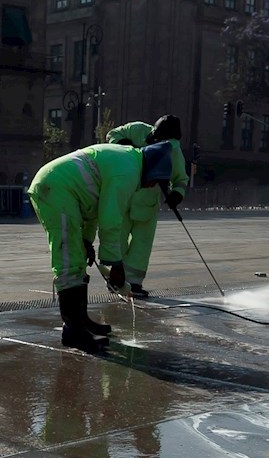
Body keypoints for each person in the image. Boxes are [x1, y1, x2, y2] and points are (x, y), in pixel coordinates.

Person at [27, 140, 176, 353]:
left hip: (61, 188)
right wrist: (115, 263)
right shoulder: (128, 172)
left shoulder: (128, 159)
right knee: (68, 258)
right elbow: (110, 218)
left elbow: (94, 206)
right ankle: (73, 332)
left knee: (77, 255)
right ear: (152, 170)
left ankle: (80, 321)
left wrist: (87, 240)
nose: (153, 187)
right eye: (156, 181)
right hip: (54, 189)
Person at [104, 115, 190, 298]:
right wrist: (124, 144)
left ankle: (133, 283)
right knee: (116, 239)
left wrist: (177, 194)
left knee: (141, 245)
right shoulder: (136, 129)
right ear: (154, 131)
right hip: (123, 197)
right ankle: (114, 278)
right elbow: (112, 134)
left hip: (147, 205)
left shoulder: (172, 149)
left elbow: (181, 179)